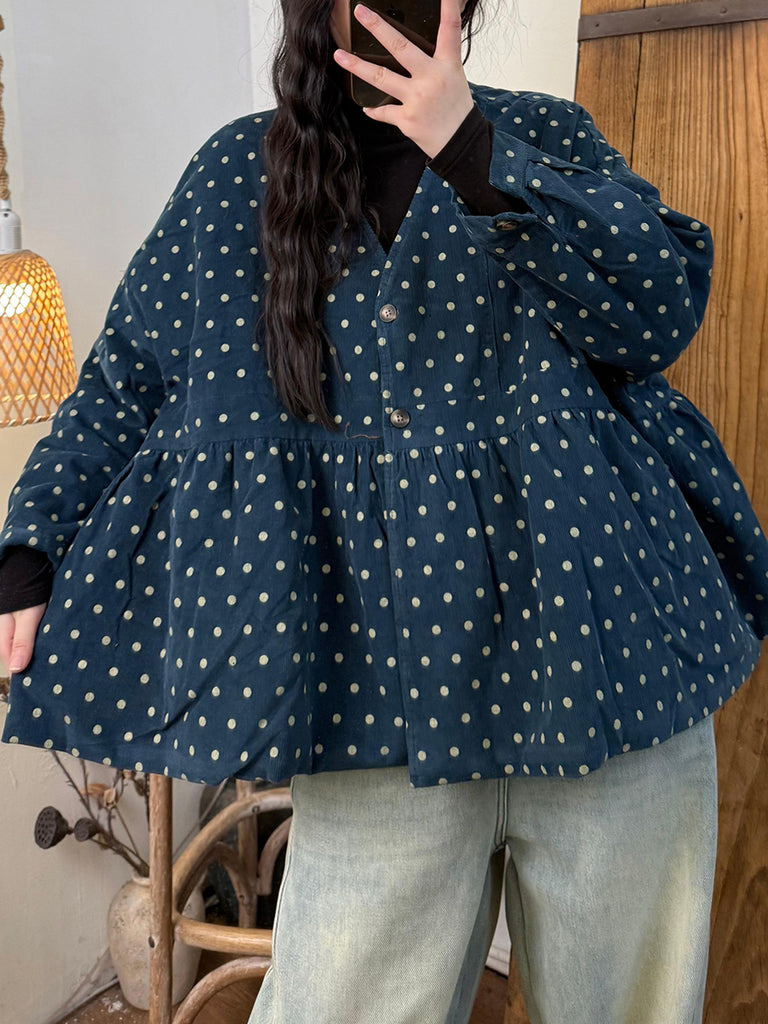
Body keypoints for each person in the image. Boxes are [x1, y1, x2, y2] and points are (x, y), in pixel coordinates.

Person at [1, 0, 767, 1020]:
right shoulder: (235, 179)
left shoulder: (542, 134)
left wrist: (477, 152)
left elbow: (661, 307)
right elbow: (123, 380)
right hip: (374, 713)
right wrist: (31, 542)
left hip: (606, 677)